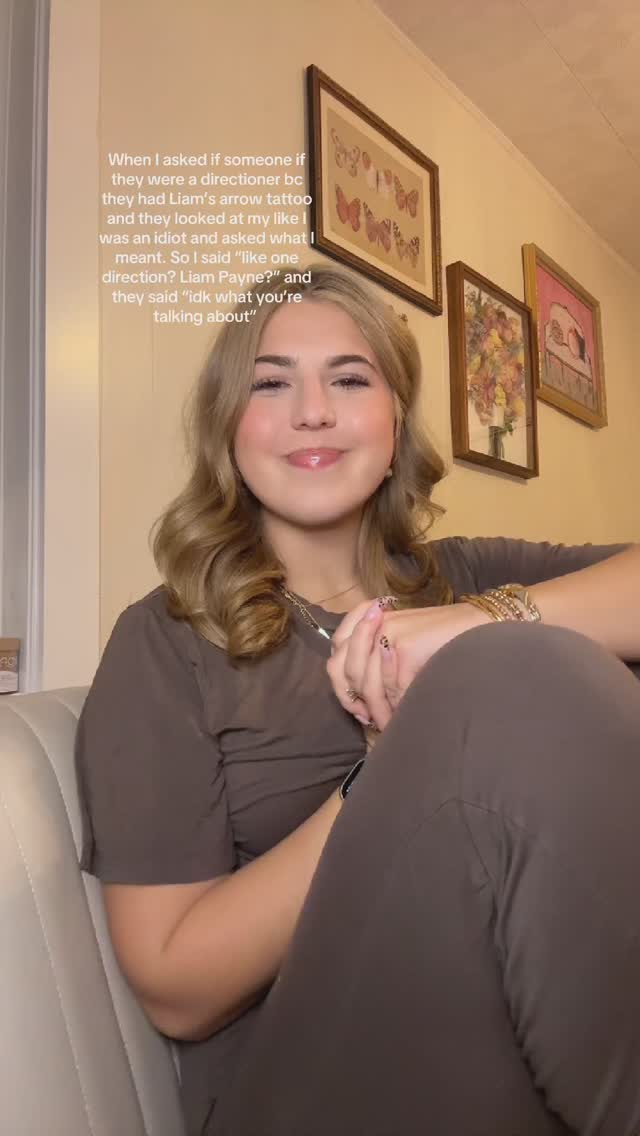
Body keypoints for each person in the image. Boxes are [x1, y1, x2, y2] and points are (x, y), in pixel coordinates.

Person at [75, 262, 640, 1136]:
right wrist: (389, 765)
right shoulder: (167, 639)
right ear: (228, 425)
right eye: (271, 383)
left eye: (349, 379)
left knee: (535, 658)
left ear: (394, 421)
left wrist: (483, 617)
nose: (313, 411)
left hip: (530, 1040)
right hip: (309, 1085)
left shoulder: (460, 575)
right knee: (507, 676)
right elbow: (176, 986)